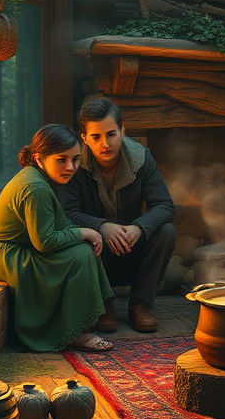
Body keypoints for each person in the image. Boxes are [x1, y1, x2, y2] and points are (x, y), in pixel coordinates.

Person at [0, 124, 116, 353]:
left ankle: (95, 316)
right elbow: (45, 243)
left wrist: (83, 235)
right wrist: (85, 232)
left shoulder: (39, 177)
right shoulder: (36, 188)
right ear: (39, 158)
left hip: (22, 249)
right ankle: (74, 331)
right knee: (81, 255)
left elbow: (52, 229)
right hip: (8, 257)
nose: (70, 167)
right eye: (61, 160)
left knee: (82, 249)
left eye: (75, 160)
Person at [59, 97, 176, 333]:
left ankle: (141, 304)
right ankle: (104, 304)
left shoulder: (141, 158)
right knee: (79, 239)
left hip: (131, 249)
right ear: (84, 138)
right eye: (96, 137)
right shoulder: (75, 163)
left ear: (122, 130)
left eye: (111, 134)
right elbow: (66, 213)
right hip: (96, 256)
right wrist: (101, 227)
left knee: (166, 231)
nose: (105, 144)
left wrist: (138, 228)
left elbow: (164, 205)